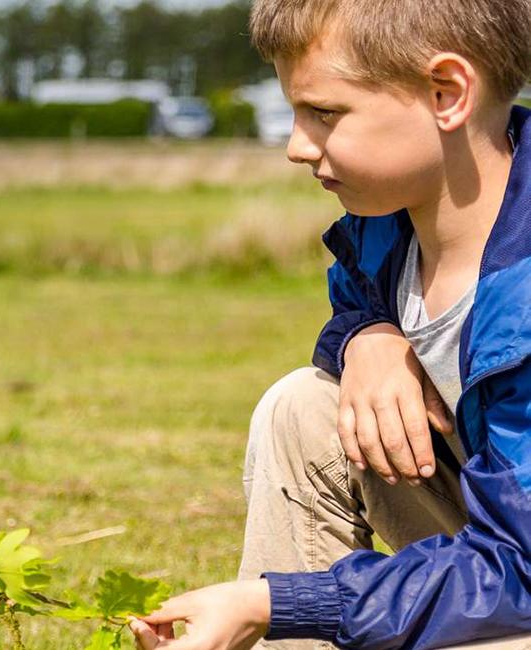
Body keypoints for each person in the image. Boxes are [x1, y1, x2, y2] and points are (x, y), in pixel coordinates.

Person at [129, 1, 531, 648]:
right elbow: (356, 297)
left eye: (324, 113)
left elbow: (522, 570)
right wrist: (368, 335)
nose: (295, 145)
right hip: (497, 553)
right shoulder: (387, 226)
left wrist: (277, 602)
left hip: (518, 572)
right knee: (303, 409)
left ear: (447, 93)